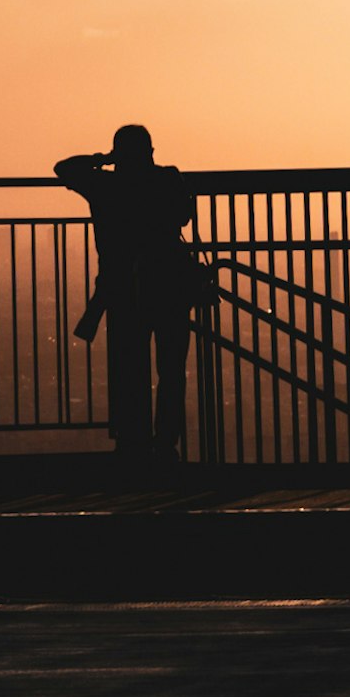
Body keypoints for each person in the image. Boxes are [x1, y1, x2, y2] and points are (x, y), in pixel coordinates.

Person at [53, 122, 207, 467]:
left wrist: (102, 160)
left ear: (118, 154)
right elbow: (184, 215)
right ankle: (166, 445)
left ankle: (132, 444)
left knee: (129, 368)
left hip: (123, 288)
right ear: (150, 151)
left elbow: (63, 168)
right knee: (171, 370)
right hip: (169, 284)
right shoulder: (167, 179)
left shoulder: (104, 184)